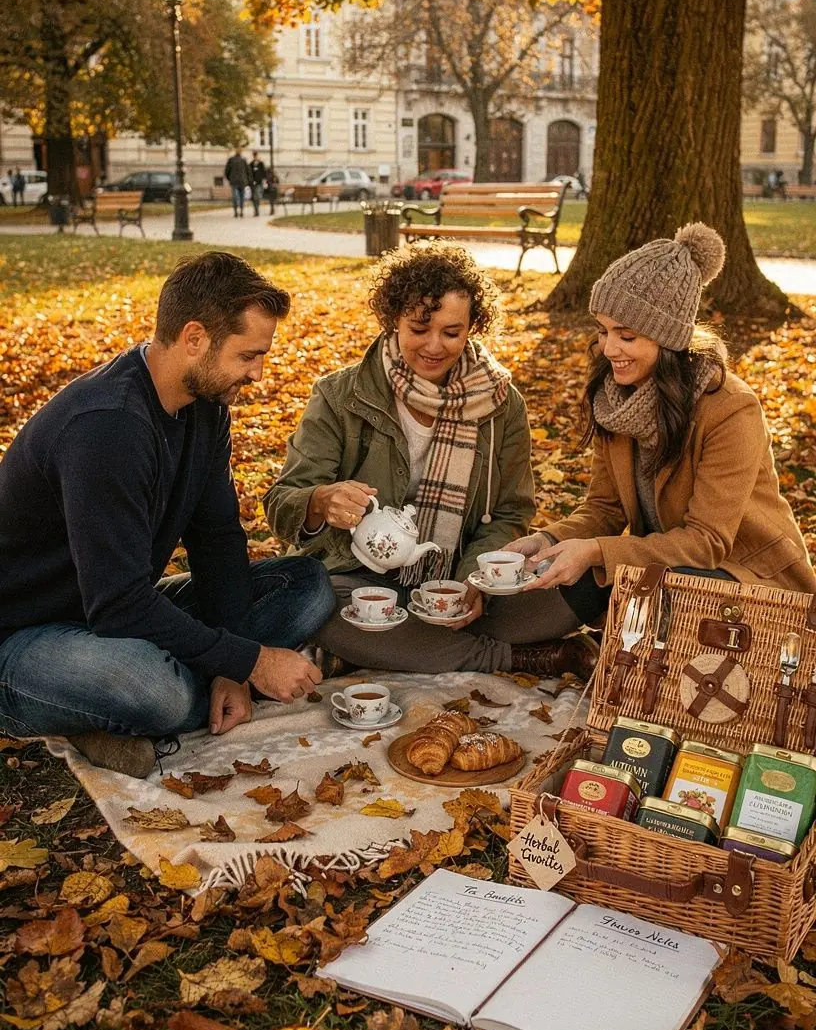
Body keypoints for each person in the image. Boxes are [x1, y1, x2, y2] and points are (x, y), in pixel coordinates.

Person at [0, 252, 335, 778]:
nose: (259, 373)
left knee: (308, 582)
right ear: (195, 337)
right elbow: (117, 606)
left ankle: (134, 704)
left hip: (114, 607)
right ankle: (110, 706)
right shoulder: (108, 426)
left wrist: (232, 668)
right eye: (248, 356)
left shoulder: (205, 407)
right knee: (156, 691)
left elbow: (218, 539)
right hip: (26, 635)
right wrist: (251, 659)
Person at [264, 244, 597, 680]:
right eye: (419, 329)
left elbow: (512, 512)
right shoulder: (340, 395)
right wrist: (320, 501)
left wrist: (471, 582)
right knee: (318, 607)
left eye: (452, 332)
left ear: (473, 327)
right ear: (393, 320)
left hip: (460, 578)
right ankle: (529, 657)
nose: (434, 346)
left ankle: (387, 650)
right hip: (357, 581)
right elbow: (281, 501)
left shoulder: (502, 404)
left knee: (571, 590)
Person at [505, 223, 816, 625]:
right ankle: (573, 652)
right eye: (603, 331)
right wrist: (547, 540)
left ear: (666, 338)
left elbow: (707, 544)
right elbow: (603, 509)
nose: (609, 348)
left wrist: (598, 552)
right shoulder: (615, 396)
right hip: (658, 568)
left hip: (745, 580)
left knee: (650, 600)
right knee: (513, 613)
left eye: (627, 336)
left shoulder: (730, 409)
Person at [224, 148, 250, 218]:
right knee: (236, 197)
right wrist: (230, 178)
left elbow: (248, 171)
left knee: (239, 197)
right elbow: (227, 171)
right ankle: (237, 211)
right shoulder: (232, 160)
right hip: (237, 182)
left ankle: (240, 211)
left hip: (240, 182)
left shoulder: (243, 160)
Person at [248, 151, 266, 217]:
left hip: (259, 182)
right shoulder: (251, 164)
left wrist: (263, 180)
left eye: (256, 155)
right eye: (254, 155)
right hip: (253, 183)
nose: (255, 157)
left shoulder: (261, 164)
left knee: (257, 196)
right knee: (254, 197)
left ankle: (257, 210)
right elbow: (249, 173)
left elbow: (264, 173)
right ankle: (256, 210)